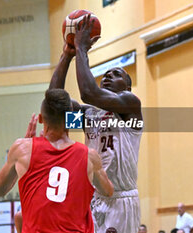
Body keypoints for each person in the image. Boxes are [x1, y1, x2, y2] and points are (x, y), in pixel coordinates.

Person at [0, 89, 114, 233]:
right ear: (70, 118)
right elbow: (108, 191)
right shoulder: (90, 156)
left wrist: (21, 159)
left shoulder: (22, 149)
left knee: (20, 217)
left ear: (41, 119)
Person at [73, 15, 143, 233]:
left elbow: (88, 93)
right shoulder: (88, 115)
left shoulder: (129, 106)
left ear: (127, 87)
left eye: (117, 74)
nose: (108, 76)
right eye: (105, 74)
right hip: (95, 197)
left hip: (121, 200)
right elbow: (54, 102)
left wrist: (81, 49)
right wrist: (67, 55)